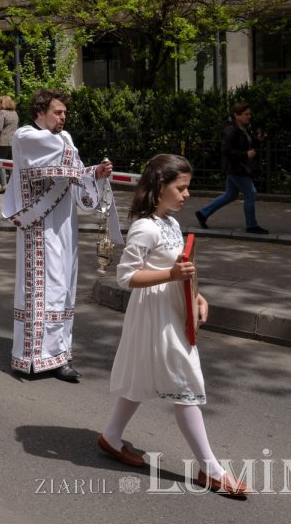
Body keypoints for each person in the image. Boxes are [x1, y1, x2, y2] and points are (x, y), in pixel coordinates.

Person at [98, 153, 251, 498]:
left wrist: (198, 297)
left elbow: (183, 269)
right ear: (159, 186)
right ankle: (211, 469)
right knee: (185, 383)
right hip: (155, 316)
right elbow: (125, 277)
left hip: (171, 310)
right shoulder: (145, 227)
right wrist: (171, 275)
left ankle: (110, 437)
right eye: (180, 188)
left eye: (187, 188)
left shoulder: (170, 223)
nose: (186, 195)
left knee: (141, 376)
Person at [2, 88, 117, 382]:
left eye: (65, 112)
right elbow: (65, 163)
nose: (63, 117)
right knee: (44, 289)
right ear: (40, 112)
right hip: (39, 229)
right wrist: (83, 166)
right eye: (57, 112)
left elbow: (74, 176)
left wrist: (95, 174)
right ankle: (32, 357)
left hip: (65, 226)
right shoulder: (26, 136)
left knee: (64, 288)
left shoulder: (64, 138)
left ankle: (59, 354)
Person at [195, 101, 269, 235]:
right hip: (236, 167)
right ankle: (252, 225)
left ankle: (203, 213)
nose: (249, 116)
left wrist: (258, 140)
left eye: (249, 114)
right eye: (246, 114)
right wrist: (245, 154)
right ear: (236, 115)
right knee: (251, 193)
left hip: (238, 166)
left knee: (230, 194)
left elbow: (245, 144)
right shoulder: (231, 130)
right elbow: (226, 150)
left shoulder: (243, 128)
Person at [0, 95, 19, 194]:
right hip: (14, 141)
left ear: (2, 103)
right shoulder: (15, 113)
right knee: (11, 164)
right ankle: (12, 186)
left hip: (3, 141)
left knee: (0, 164)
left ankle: (4, 186)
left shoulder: (2, 112)